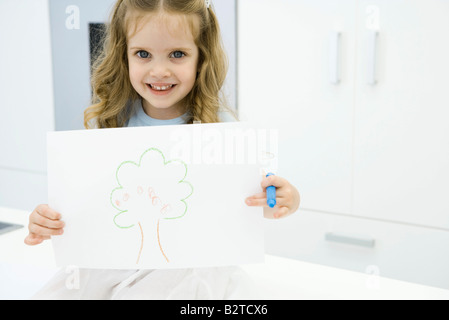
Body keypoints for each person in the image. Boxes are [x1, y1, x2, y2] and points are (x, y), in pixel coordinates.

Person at [25, 0, 300, 299]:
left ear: (201, 58)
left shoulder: (220, 128)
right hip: (115, 264)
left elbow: (251, 200)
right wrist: (47, 220)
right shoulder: (111, 123)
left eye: (177, 54)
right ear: (124, 56)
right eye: (143, 54)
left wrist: (284, 198)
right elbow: (87, 206)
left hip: (195, 268)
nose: (159, 70)